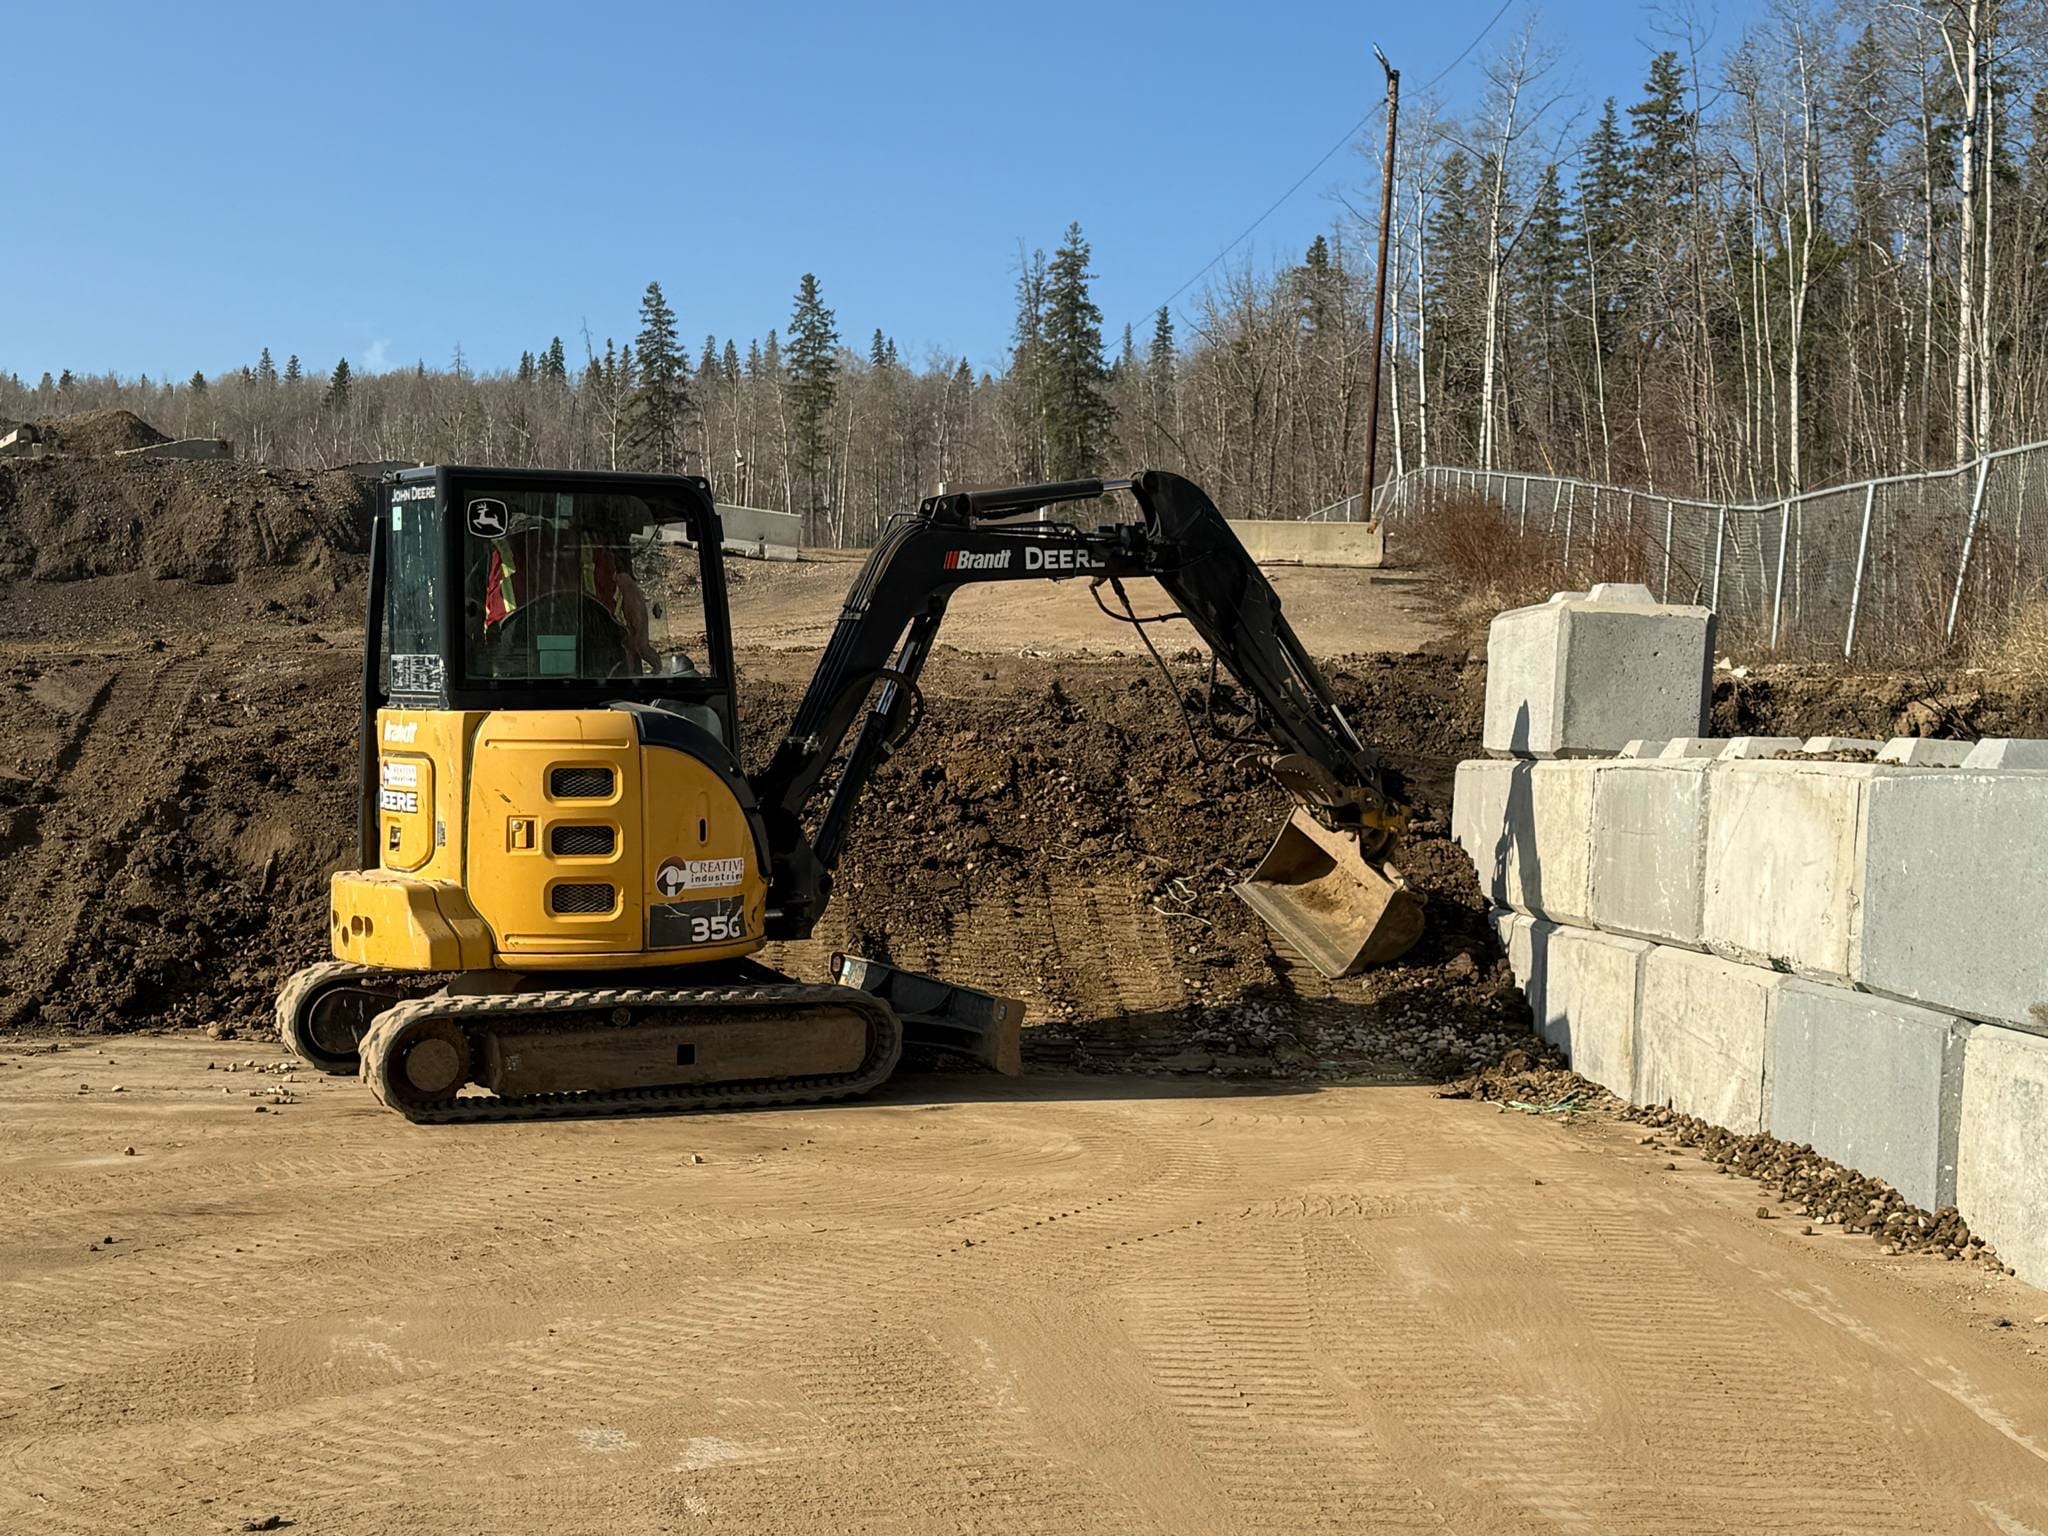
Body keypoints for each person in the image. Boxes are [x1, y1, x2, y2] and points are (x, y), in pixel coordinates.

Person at [480, 515, 659, 675]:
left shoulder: (499, 551)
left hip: (514, 657)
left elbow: (468, 609)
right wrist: (643, 645)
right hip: (595, 649)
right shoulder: (592, 546)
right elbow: (628, 588)